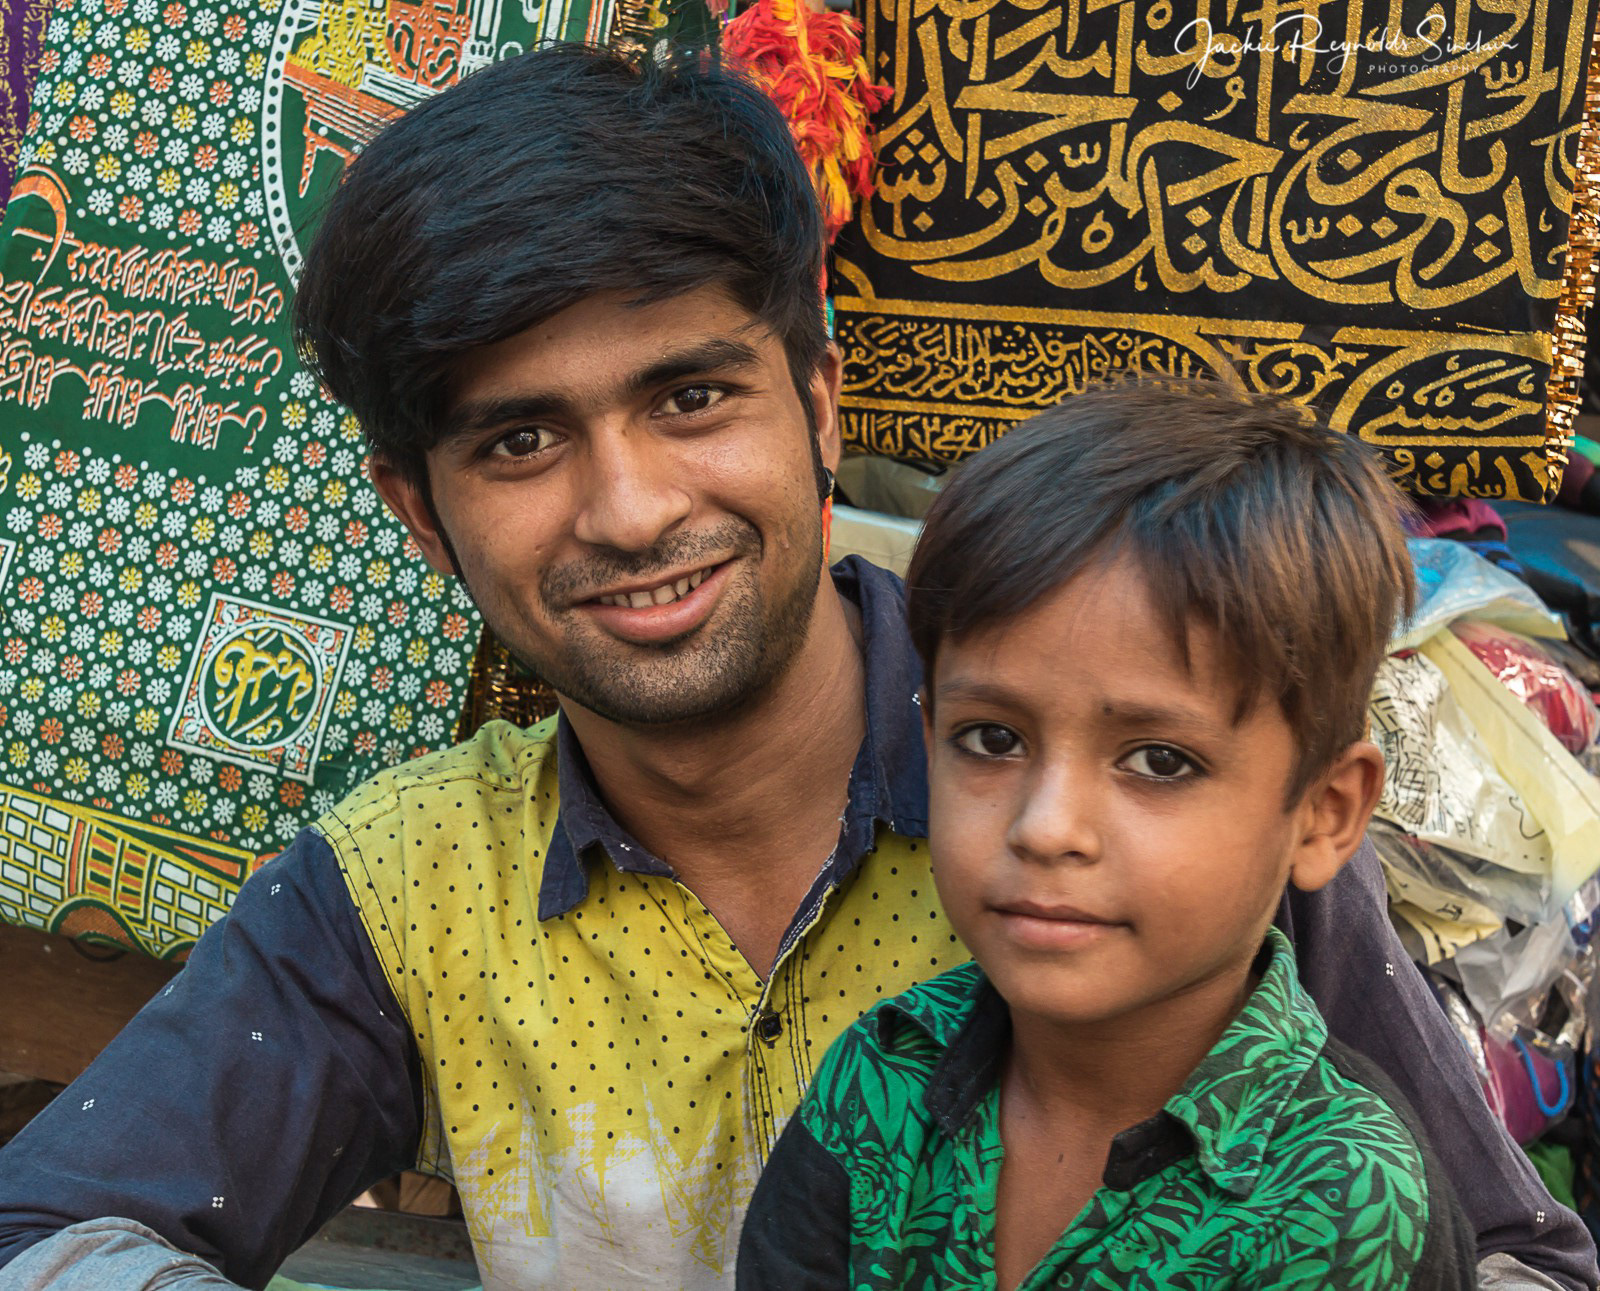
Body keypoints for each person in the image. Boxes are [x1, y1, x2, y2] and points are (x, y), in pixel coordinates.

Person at [0, 43, 1590, 1291]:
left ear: (822, 404)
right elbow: (51, 1225)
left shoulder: (1138, 812)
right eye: (521, 437)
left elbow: (1513, 1256)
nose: (630, 508)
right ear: (422, 511)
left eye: (691, 397)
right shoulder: (406, 884)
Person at [737, 383, 1475, 1289]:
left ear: (1323, 813)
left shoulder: (1343, 1201)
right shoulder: (881, 1083)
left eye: (1159, 761)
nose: (1045, 827)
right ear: (927, 738)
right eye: (993, 739)